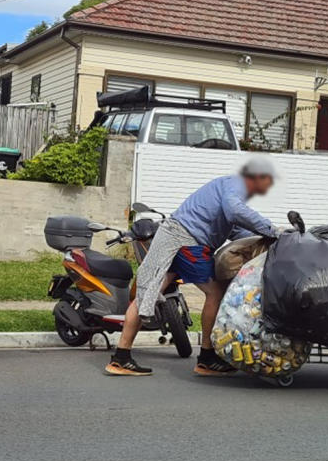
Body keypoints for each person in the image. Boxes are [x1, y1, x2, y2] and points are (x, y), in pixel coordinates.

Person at [105, 157, 278, 376]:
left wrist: (269, 237)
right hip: (185, 239)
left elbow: (235, 230)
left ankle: (122, 357)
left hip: (177, 237)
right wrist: (271, 230)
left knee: (149, 292)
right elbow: (236, 213)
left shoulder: (227, 190)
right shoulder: (234, 185)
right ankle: (206, 358)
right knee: (214, 293)